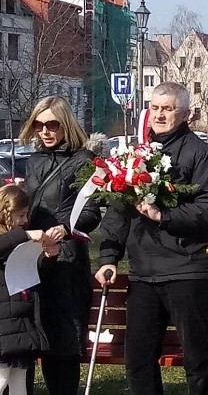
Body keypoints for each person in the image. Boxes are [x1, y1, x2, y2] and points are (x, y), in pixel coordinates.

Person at [95, 82, 208, 395]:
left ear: (185, 114)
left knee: (199, 361)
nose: (159, 115)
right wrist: (109, 257)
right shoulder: (135, 155)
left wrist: (164, 216)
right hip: (143, 275)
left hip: (187, 270)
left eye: (168, 109)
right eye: (155, 107)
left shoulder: (201, 155)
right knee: (138, 361)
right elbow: (118, 210)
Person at [19, 96, 102, 395]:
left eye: (52, 124)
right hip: (31, 258)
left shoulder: (83, 160)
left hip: (66, 262)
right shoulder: (34, 160)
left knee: (63, 344)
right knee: (25, 339)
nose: (45, 131)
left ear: (66, 124)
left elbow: (92, 212)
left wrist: (64, 230)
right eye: (39, 125)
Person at [0, 185, 59, 394]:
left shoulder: (18, 238)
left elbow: (33, 271)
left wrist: (49, 256)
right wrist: (24, 235)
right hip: (4, 323)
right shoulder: (12, 237)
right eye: (20, 215)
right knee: (2, 377)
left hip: (21, 319)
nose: (25, 220)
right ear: (5, 212)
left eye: (26, 214)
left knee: (19, 382)